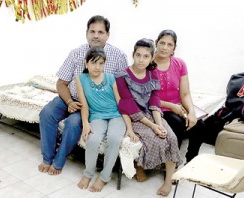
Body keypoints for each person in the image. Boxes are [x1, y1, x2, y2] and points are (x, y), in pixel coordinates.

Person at [38, 15, 128, 175]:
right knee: (46, 113)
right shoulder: (76, 53)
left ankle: (58, 161)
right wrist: (68, 101)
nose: (96, 35)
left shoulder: (118, 56)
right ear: (86, 33)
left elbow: (122, 87)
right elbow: (61, 83)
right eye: (92, 31)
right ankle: (47, 157)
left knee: (73, 123)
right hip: (70, 98)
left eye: (101, 32)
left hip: (93, 105)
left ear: (108, 35)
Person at [115, 38, 182, 197]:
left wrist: (159, 124)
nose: (141, 59)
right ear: (133, 54)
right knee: (154, 139)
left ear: (152, 57)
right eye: (138, 55)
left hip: (152, 114)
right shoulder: (122, 76)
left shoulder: (152, 73)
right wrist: (153, 127)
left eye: (146, 56)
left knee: (171, 137)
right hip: (133, 116)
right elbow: (129, 105)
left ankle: (168, 180)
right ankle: (141, 167)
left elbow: (155, 100)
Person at [75, 47, 126, 192]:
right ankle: (88, 173)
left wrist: (129, 126)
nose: (97, 67)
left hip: (116, 115)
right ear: (86, 63)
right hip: (97, 116)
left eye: (101, 63)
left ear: (105, 64)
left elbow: (120, 102)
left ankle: (104, 177)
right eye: (94, 63)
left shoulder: (111, 78)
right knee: (92, 139)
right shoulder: (80, 79)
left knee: (114, 139)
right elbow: (84, 105)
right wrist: (85, 123)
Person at [154, 29, 206, 164]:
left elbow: (185, 93)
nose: (165, 47)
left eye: (169, 45)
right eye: (162, 43)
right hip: (158, 108)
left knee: (200, 125)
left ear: (174, 48)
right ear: (156, 43)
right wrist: (171, 106)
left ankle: (191, 161)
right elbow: (146, 97)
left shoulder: (180, 64)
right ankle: (171, 165)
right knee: (177, 125)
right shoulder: (148, 64)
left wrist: (192, 112)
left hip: (178, 106)